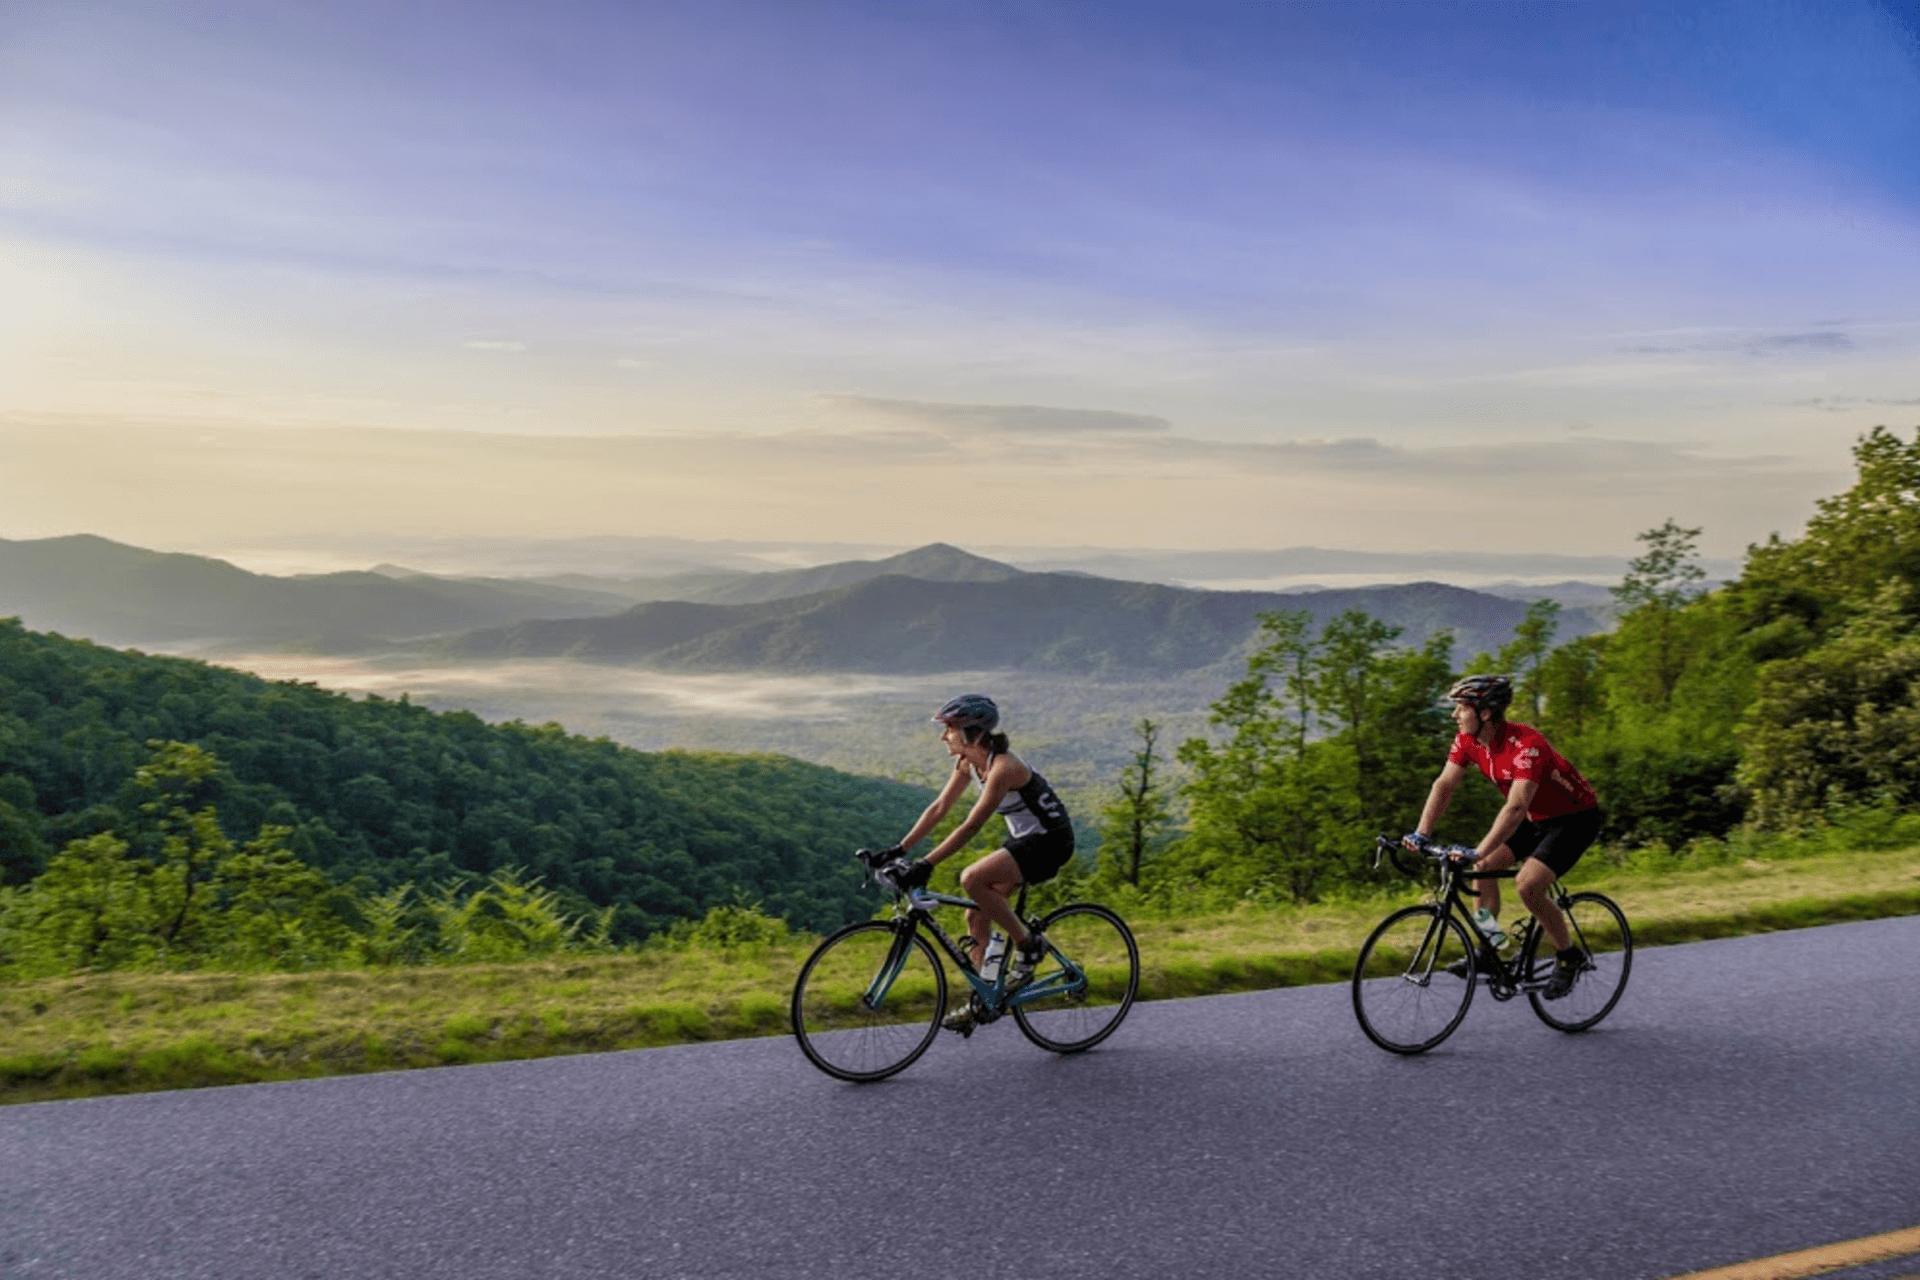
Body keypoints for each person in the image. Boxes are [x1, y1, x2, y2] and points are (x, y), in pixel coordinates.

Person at [877, 694, 1076, 1031]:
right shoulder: (970, 762)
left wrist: (926, 863)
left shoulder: (1003, 767)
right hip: (1025, 840)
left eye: (950, 729)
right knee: (975, 913)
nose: (944, 737)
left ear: (971, 732)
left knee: (972, 879)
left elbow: (971, 825)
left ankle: (1029, 947)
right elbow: (940, 808)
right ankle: (983, 998)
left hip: (1051, 842)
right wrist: (899, 849)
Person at [1404, 674, 1603, 999]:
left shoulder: (1527, 745)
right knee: (1482, 868)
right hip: (1533, 818)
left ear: (1484, 713)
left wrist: (1477, 849)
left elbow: (1515, 807)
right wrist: (1421, 833)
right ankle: (1492, 947)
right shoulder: (1467, 740)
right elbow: (1443, 785)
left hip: (1574, 820)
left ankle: (1569, 957)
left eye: (1461, 708)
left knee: (1528, 885)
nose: (1455, 715)